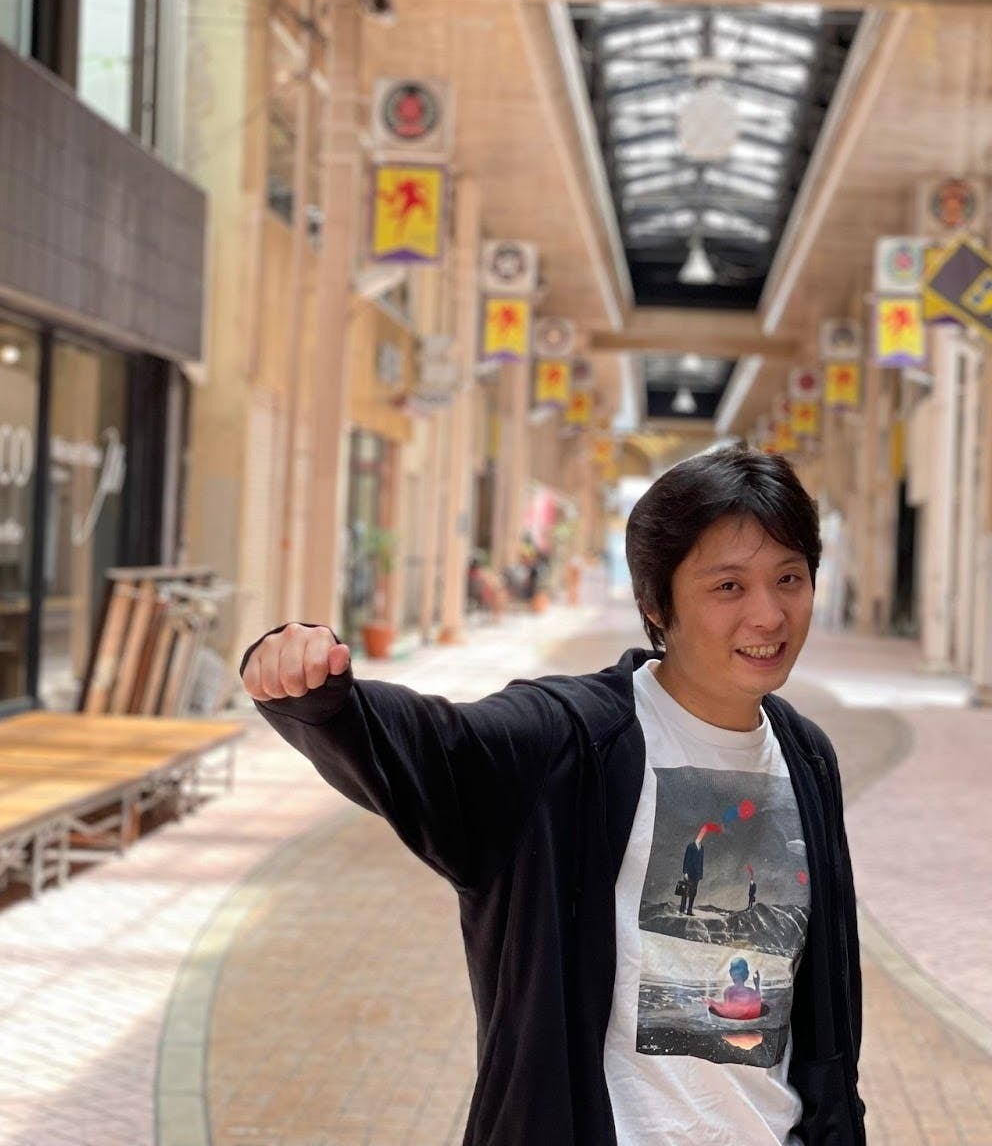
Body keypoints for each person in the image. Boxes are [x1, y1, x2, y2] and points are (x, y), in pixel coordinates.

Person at [241, 446, 865, 1144]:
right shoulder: (568, 740)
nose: (769, 615)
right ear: (656, 603)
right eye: (728, 586)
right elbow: (434, 747)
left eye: (789, 579)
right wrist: (317, 690)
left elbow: (824, 1006)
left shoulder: (806, 755)